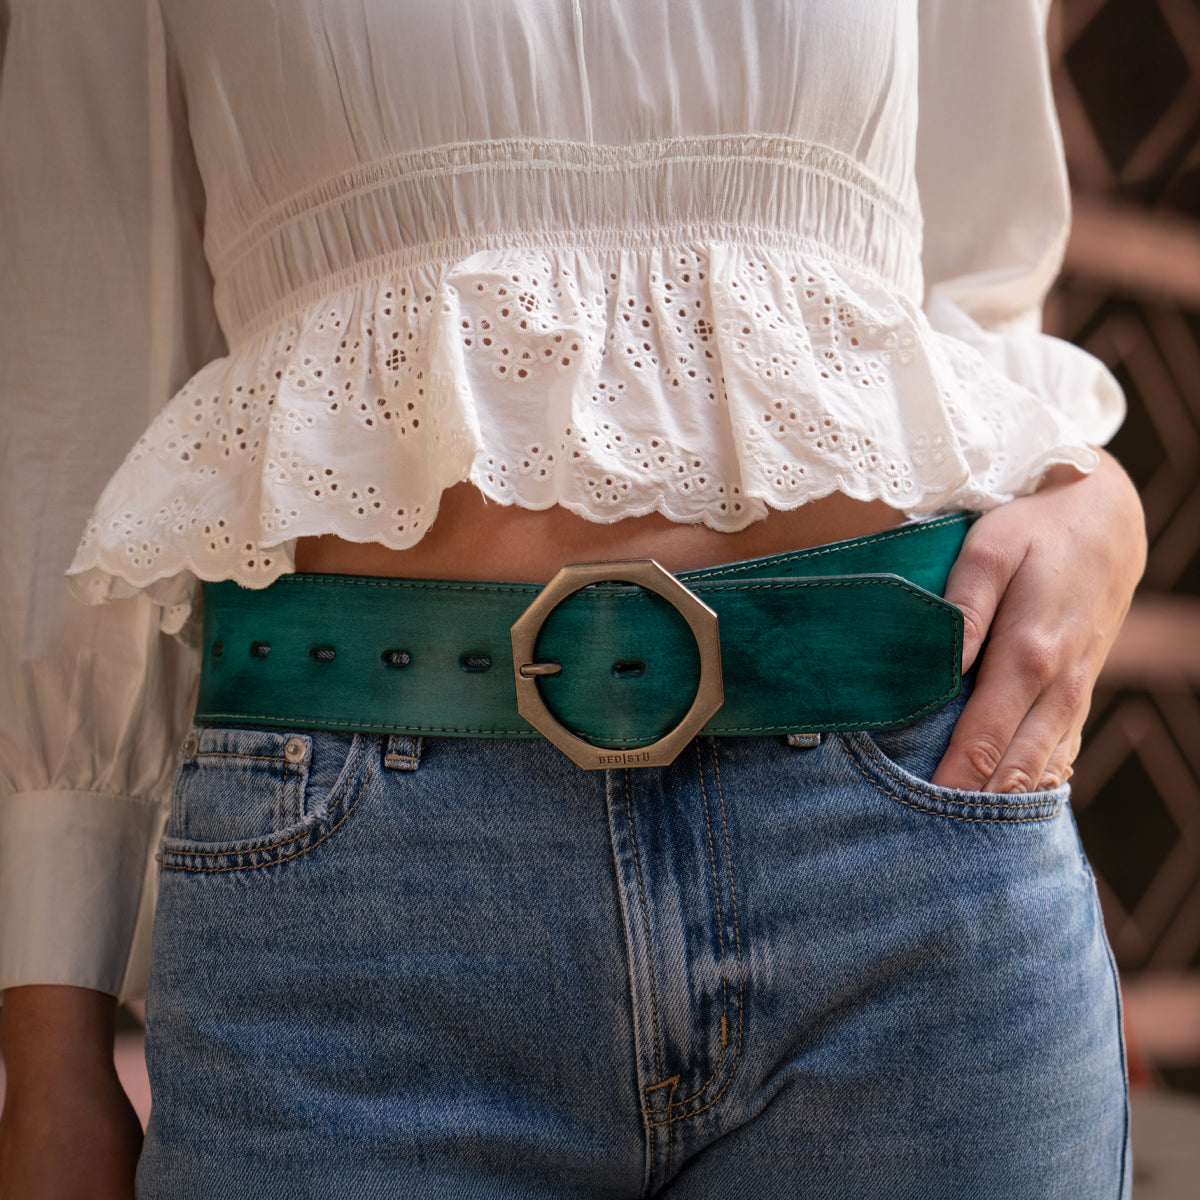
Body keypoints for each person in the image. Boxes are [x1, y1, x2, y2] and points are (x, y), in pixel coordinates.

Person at [0, 0, 1145, 1196]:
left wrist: (1092, 494)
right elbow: (71, 379)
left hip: (908, 847)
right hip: (353, 921)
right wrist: (50, 1047)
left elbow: (972, 282)